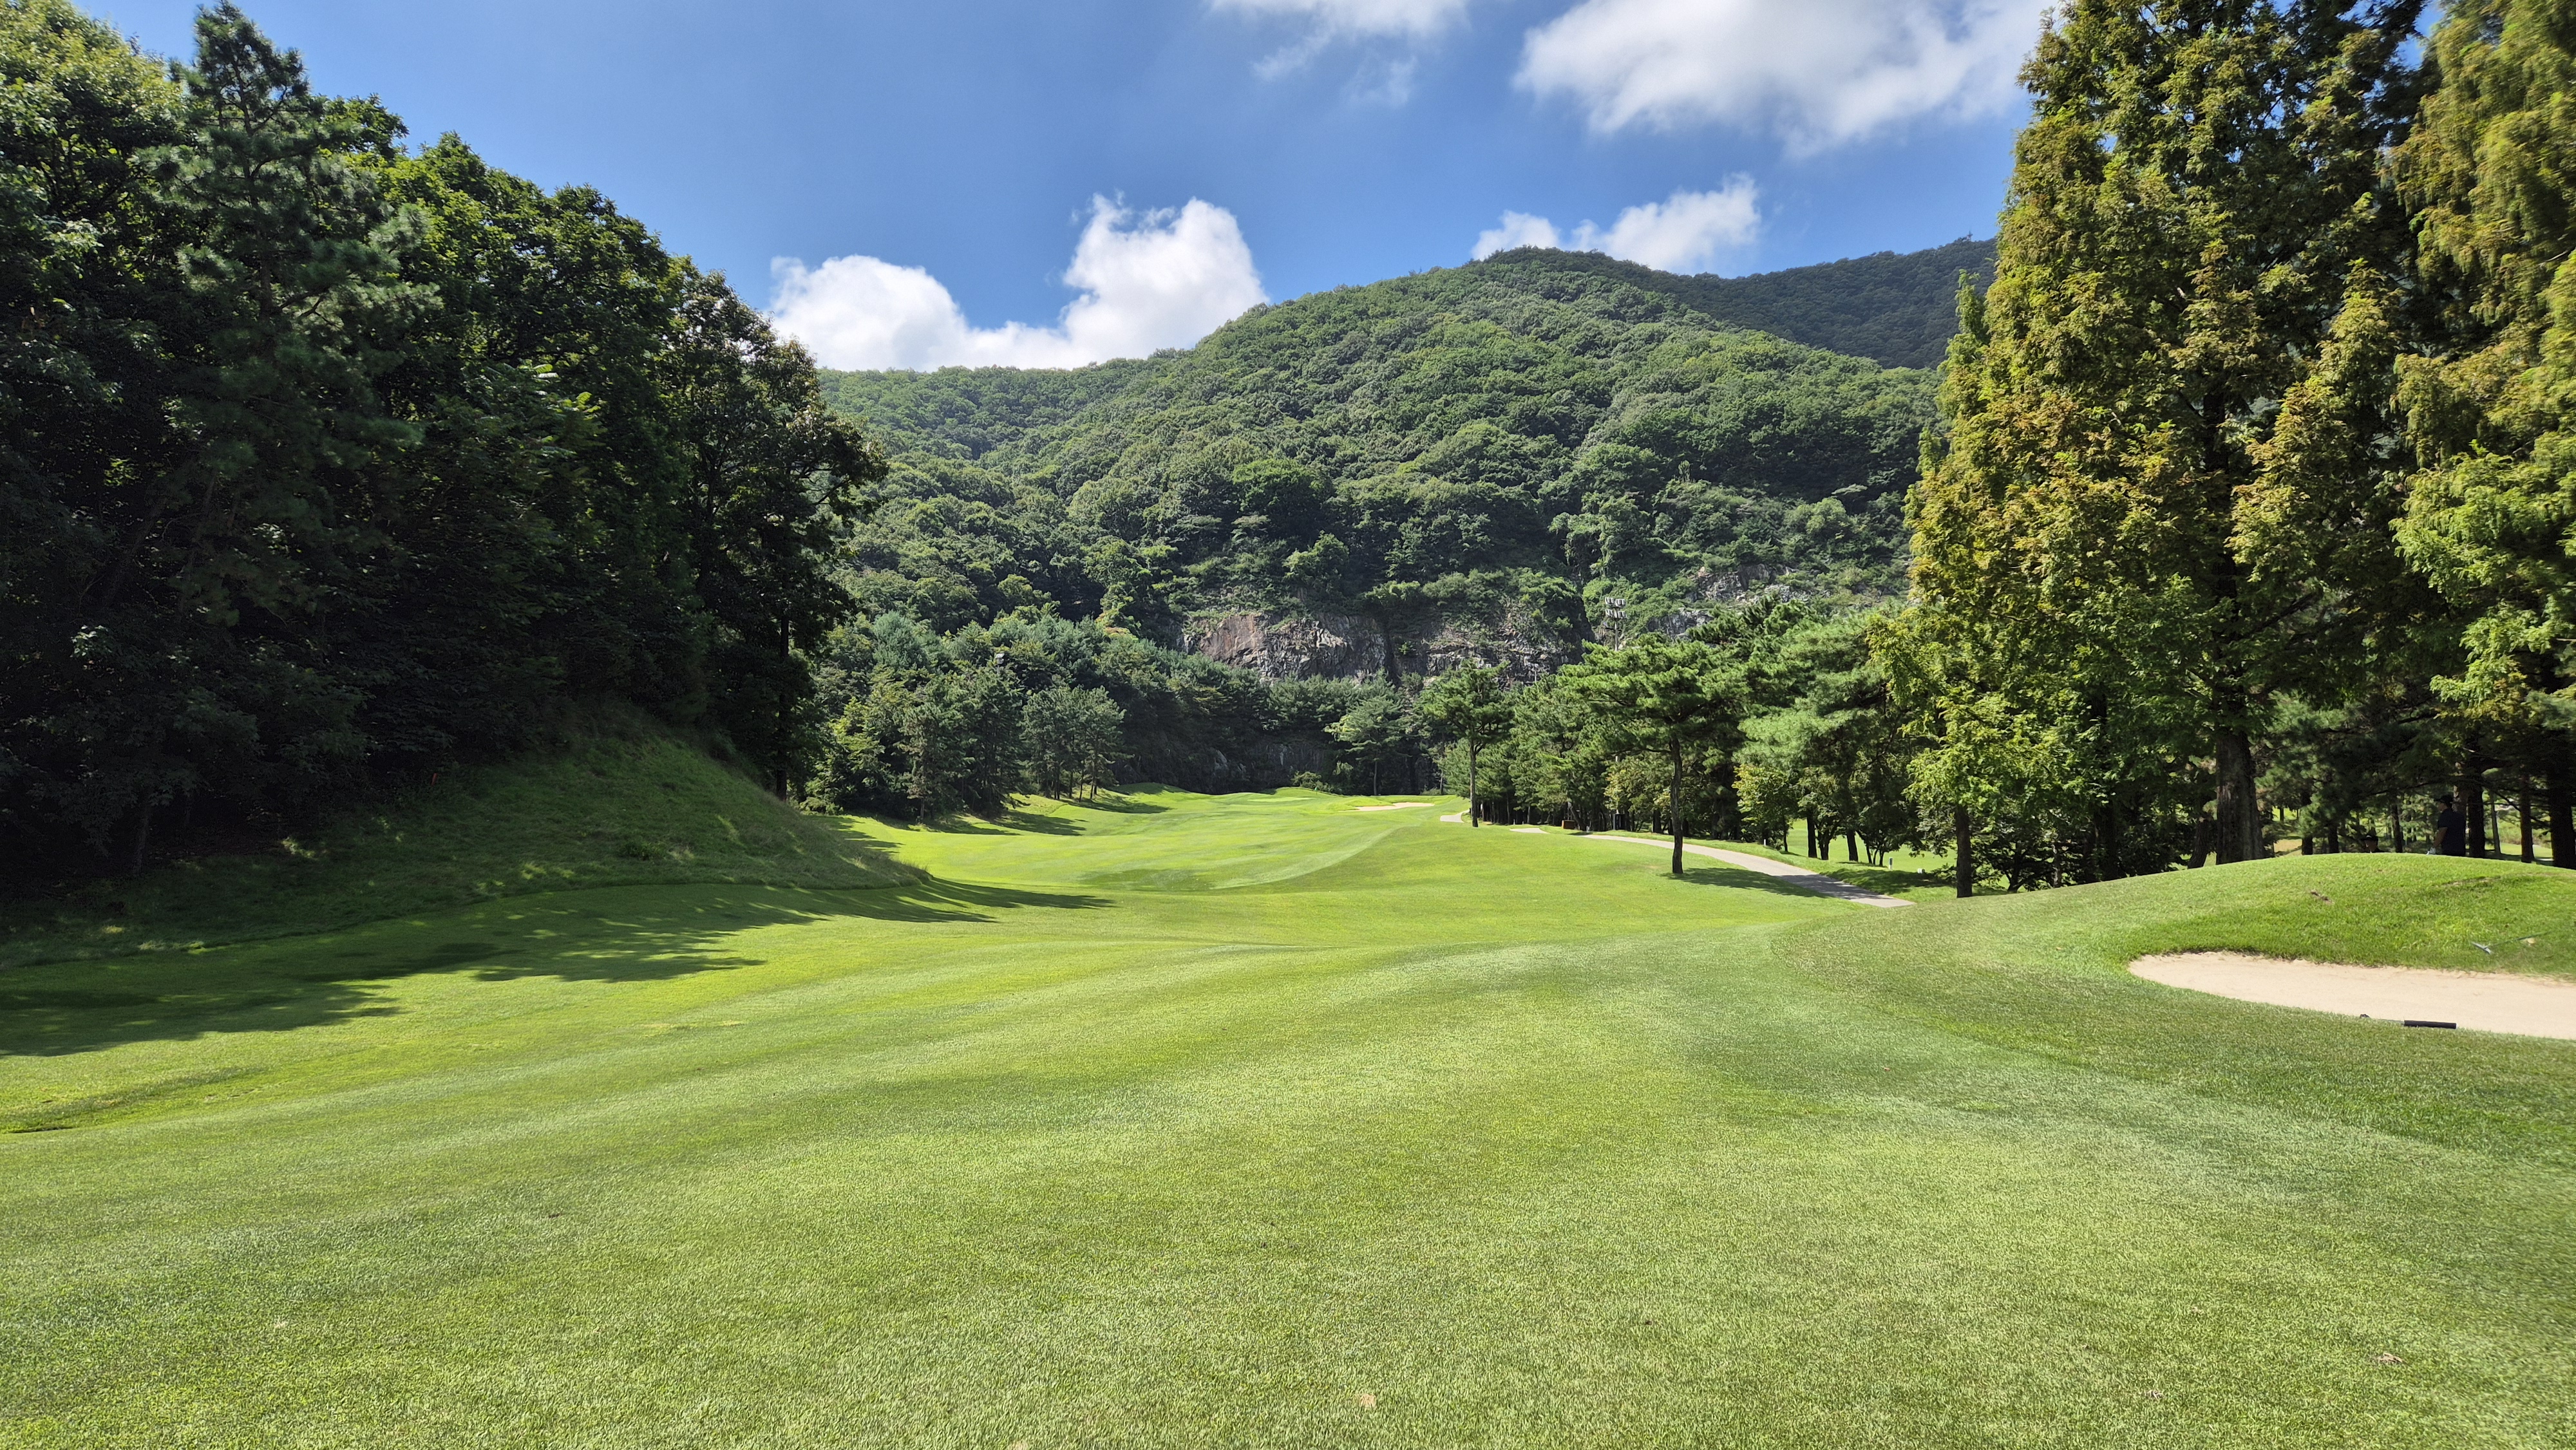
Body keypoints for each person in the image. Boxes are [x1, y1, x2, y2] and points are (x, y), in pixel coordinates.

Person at [2434, 793, 2469, 857]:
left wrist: (2434, 847)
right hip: (2461, 849)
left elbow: (2442, 832)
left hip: (2449, 849)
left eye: (2439, 803)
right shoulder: (2460, 816)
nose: (2438, 805)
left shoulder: (2445, 816)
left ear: (2443, 804)